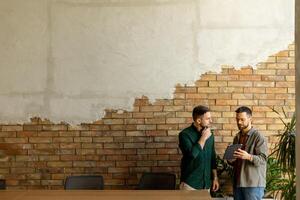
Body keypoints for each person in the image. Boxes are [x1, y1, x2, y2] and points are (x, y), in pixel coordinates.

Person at [227, 106, 268, 200]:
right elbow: (236, 161)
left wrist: (249, 156)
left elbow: (263, 159)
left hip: (253, 185)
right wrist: (230, 159)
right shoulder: (237, 137)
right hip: (238, 183)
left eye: (242, 119)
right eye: (237, 119)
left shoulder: (258, 136)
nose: (239, 122)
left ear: (250, 119)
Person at [178, 105, 219, 192]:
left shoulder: (210, 134)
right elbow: (192, 155)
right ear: (198, 120)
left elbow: (212, 157)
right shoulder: (184, 134)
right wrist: (203, 138)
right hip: (190, 184)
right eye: (208, 119)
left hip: (206, 184)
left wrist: (215, 178)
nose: (211, 121)